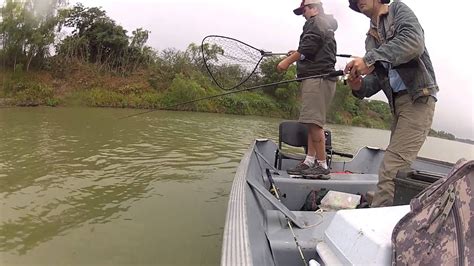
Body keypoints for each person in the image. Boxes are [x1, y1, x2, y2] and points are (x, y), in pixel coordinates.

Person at [344, 0, 438, 207]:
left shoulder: (398, 10)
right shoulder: (370, 39)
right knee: (394, 167)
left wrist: (369, 59)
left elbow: (413, 43)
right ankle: (392, 210)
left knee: (392, 168)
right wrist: (358, 85)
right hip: (398, 105)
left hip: (418, 100)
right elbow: (376, 80)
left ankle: (377, 224)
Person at [277, 0, 338, 178]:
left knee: (314, 123)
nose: (303, 14)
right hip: (322, 78)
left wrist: (286, 62)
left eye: (304, 10)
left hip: (317, 78)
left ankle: (322, 166)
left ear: (314, 8)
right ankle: (309, 161)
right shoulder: (325, 24)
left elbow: (308, 48)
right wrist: (297, 53)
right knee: (313, 123)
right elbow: (310, 49)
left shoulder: (315, 21)